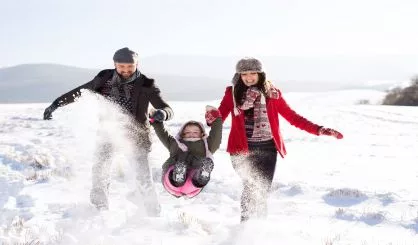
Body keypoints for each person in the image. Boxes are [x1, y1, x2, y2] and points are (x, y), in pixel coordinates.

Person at [43, 47, 173, 215]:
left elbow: (166, 107)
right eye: (121, 67)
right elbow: (81, 92)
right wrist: (56, 103)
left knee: (143, 177)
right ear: (115, 65)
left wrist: (163, 113)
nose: (126, 71)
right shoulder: (105, 78)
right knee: (99, 172)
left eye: (130, 67)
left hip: (136, 136)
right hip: (108, 133)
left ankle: (152, 213)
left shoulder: (147, 84)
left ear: (136, 65)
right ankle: (100, 210)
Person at [217, 57, 343, 222]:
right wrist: (210, 118)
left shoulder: (272, 94)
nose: (248, 77)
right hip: (241, 151)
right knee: (251, 186)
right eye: (244, 73)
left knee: (262, 190)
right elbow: (218, 117)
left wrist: (319, 130)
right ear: (239, 75)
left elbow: (293, 117)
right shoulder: (233, 94)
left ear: (260, 74)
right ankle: (245, 227)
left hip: (268, 150)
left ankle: (260, 229)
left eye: (253, 72)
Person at [149, 105, 222, 198]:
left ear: (202, 134)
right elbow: (162, 133)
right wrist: (155, 120)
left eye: (195, 132)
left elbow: (217, 135)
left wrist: (216, 117)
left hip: (193, 185)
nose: (191, 134)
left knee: (197, 169)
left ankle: (201, 176)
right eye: (187, 132)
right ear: (182, 134)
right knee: (176, 165)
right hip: (170, 181)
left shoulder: (207, 145)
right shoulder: (175, 143)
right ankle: (178, 176)